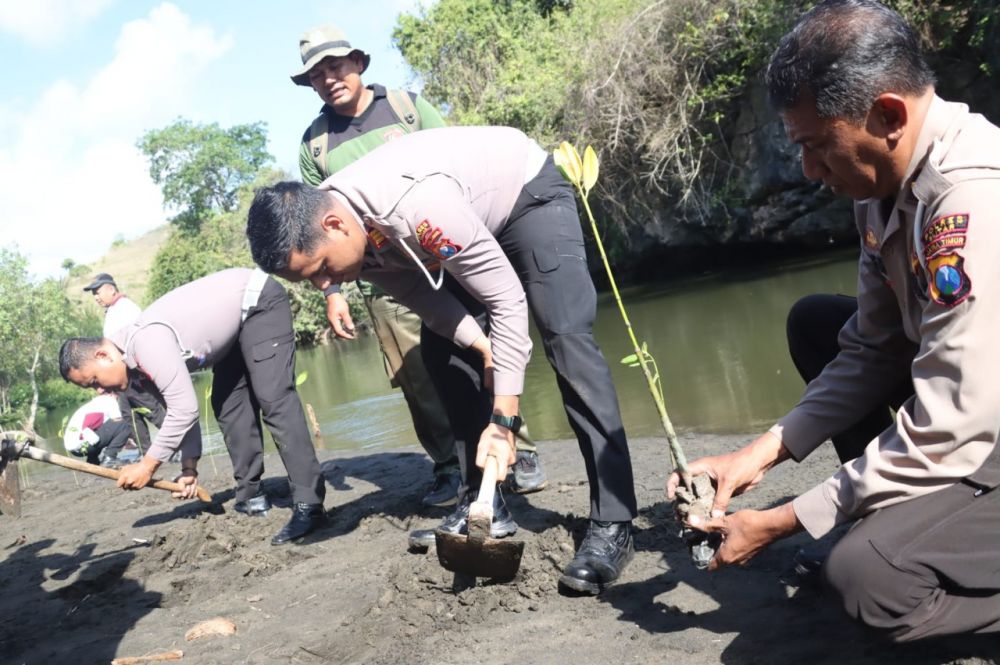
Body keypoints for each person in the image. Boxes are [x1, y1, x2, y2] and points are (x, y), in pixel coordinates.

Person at [667, 0, 1000, 642]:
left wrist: (787, 518)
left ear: (888, 115)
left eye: (818, 146)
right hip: (974, 400)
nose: (809, 171)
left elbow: (953, 422)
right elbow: (872, 350)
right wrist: (755, 456)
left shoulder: (971, 197)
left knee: (868, 582)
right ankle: (901, 517)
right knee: (817, 322)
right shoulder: (880, 187)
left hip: (980, 416)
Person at [246, 125, 639, 594]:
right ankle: (483, 505)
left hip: (525, 195)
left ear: (334, 225)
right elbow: (423, 297)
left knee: (566, 338)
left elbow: (507, 301)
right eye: (311, 280)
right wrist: (483, 346)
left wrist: (505, 419)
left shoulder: (415, 209)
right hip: (464, 218)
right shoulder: (349, 232)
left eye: (324, 271)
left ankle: (614, 523)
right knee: (442, 349)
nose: (325, 283)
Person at [290, 24, 548, 505]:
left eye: (336, 66)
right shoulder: (315, 145)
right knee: (421, 375)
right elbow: (314, 227)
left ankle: (519, 446)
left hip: (447, 251)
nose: (329, 79)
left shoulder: (406, 107)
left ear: (358, 63)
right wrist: (333, 293)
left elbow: (456, 164)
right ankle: (450, 466)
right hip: (382, 277)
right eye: (317, 75)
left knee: (491, 349)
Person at [60, 268, 327, 545]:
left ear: (103, 355)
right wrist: (189, 469)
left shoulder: (145, 343)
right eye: (90, 387)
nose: (99, 389)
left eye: (93, 380)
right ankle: (250, 495)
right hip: (232, 331)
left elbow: (184, 410)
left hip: (257, 302)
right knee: (227, 404)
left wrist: (147, 466)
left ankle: (310, 504)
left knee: (273, 398)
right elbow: (181, 413)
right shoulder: (133, 367)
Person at [83, 273, 166, 455]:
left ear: (111, 289)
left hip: (133, 373)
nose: (95, 297)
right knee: (131, 416)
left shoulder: (126, 308)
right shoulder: (113, 311)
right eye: (93, 294)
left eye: (98, 292)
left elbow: (136, 340)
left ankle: (180, 446)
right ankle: (148, 454)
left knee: (152, 410)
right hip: (121, 377)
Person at [62, 393, 135, 468]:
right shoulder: (110, 400)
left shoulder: (95, 403)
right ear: (113, 394)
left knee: (97, 430)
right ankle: (109, 458)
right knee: (125, 423)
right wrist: (136, 442)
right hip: (82, 445)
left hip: (74, 449)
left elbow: (111, 431)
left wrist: (125, 440)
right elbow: (121, 424)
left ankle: (92, 461)